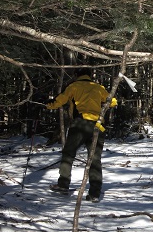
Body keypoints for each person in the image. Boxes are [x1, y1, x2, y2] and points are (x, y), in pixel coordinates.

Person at [46, 68, 118, 202]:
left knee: (68, 154)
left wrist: (48, 105)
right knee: (95, 160)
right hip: (98, 125)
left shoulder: (73, 86)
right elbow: (113, 101)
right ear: (90, 75)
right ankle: (95, 194)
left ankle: (63, 184)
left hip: (80, 124)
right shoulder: (98, 87)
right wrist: (101, 103)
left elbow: (59, 101)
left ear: (76, 75)